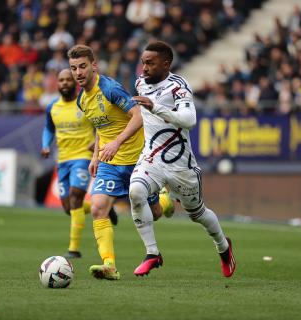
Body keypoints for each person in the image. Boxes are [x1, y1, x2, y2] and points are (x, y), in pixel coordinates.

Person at [129, 41, 236, 278]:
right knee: (136, 192)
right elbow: (143, 116)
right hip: (151, 158)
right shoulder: (139, 84)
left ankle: (223, 247)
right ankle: (152, 253)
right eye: (143, 62)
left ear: (166, 64)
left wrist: (156, 107)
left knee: (197, 214)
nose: (144, 68)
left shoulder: (178, 86)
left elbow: (189, 120)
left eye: (150, 63)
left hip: (181, 165)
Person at [67, 44, 173, 280]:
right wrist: (95, 155)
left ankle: (165, 202)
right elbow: (100, 125)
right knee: (97, 208)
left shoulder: (110, 88)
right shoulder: (82, 100)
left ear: (94, 66)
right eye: (74, 68)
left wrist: (116, 142)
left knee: (154, 213)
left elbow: (138, 117)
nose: (78, 72)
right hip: (110, 163)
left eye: (83, 66)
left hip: (138, 159)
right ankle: (109, 265)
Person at [41, 68, 118, 259]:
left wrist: (97, 143)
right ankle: (106, 209)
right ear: (57, 84)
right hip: (63, 160)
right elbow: (48, 129)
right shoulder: (52, 107)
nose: (65, 83)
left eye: (68, 79)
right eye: (61, 80)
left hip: (83, 157)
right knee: (69, 207)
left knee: (76, 195)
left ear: (74, 82)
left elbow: (101, 125)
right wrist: (45, 145)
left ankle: (73, 249)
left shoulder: (83, 103)